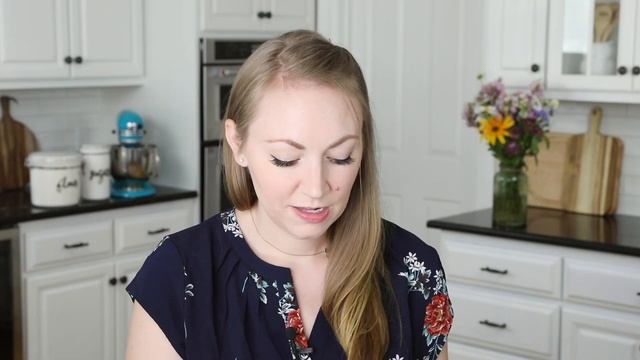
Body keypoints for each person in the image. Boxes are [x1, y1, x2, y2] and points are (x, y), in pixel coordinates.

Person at [125, 29, 453, 360]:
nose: (315, 188)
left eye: (341, 157)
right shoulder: (178, 275)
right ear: (237, 143)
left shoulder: (413, 272)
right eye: (286, 158)